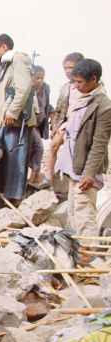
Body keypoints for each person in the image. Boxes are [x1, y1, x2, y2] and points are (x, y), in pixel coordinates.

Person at [57, 59, 111, 248]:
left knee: (84, 212)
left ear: (93, 79)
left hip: (85, 171)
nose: (77, 86)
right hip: (74, 166)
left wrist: (89, 173)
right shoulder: (82, 98)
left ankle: (89, 254)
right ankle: (80, 251)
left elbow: (99, 144)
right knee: (73, 210)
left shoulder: (103, 106)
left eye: (80, 82)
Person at [0, 34, 36, 202]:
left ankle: (15, 197)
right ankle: (6, 195)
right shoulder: (9, 63)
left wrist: (12, 112)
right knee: (7, 159)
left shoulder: (19, 59)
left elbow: (24, 88)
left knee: (16, 159)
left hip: (17, 122)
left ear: (4, 47)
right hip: (8, 122)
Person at [47, 52, 85, 182]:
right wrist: (55, 126)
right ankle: (49, 177)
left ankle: (73, 177)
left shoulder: (88, 85)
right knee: (53, 145)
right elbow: (58, 110)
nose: (68, 71)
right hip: (67, 122)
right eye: (65, 68)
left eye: (71, 67)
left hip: (81, 123)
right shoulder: (65, 88)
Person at [28, 65, 53, 189]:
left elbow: (47, 104)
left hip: (40, 124)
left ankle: (34, 174)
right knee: (39, 148)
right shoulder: (28, 89)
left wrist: (52, 113)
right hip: (30, 123)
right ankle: (34, 174)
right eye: (36, 78)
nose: (39, 80)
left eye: (41, 78)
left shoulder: (46, 88)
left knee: (35, 148)